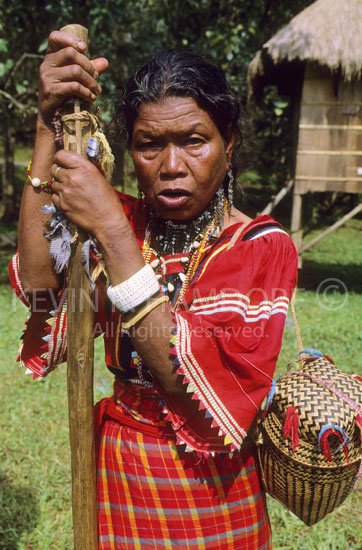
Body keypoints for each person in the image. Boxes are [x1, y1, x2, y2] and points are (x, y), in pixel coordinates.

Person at [10, 30, 298, 550]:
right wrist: (47, 122)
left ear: (228, 143)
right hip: (121, 474)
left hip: (213, 491)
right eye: (149, 144)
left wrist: (113, 234)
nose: (170, 166)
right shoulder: (122, 218)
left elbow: (183, 382)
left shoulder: (259, 246)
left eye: (193, 140)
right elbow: (40, 287)